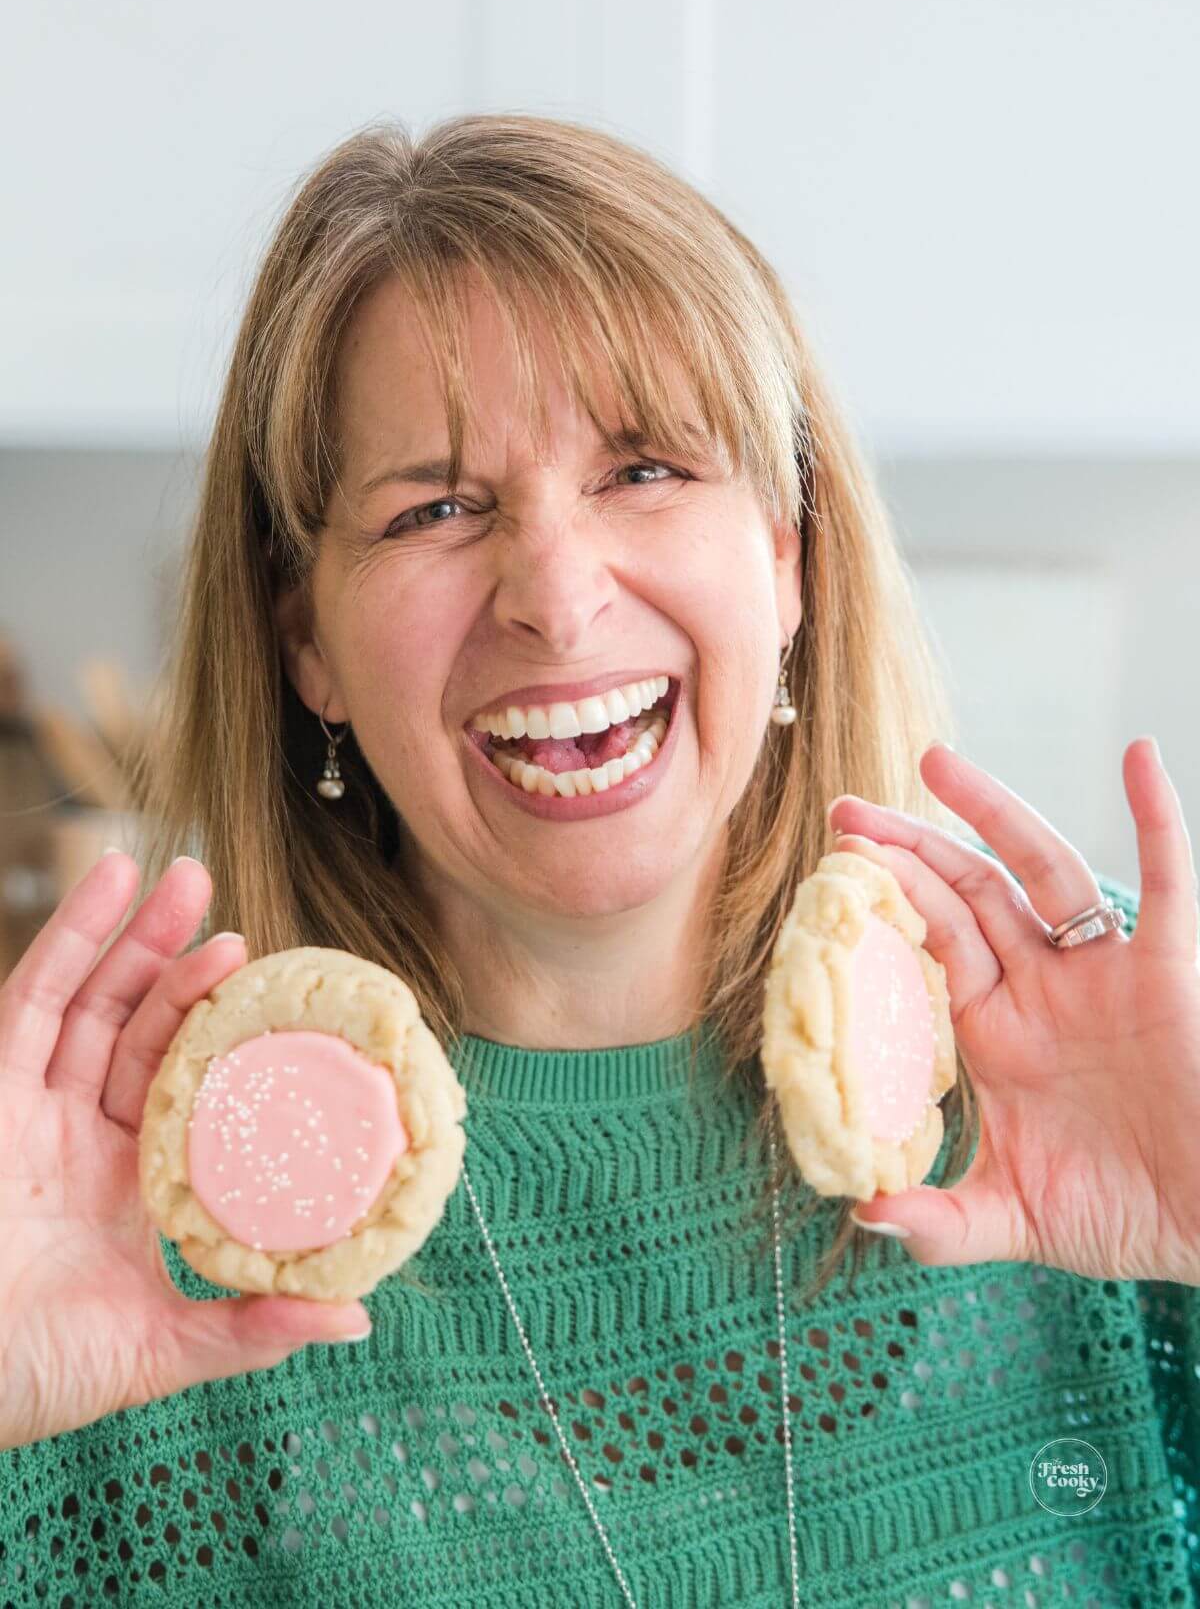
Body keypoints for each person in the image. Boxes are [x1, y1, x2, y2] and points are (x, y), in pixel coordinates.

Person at [0, 114, 1196, 1608]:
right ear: (308, 639)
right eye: (435, 508)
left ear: (789, 554)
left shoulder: (1113, 1059)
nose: (558, 602)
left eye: (643, 469)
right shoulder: (144, 1209)